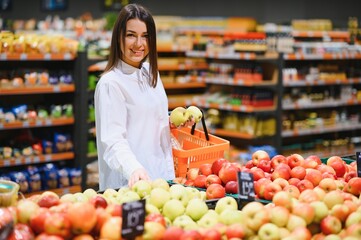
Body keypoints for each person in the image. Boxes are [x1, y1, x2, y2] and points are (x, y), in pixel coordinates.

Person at [94, 3, 192, 191]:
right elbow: (113, 140)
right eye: (131, 35)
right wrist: (133, 169)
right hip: (130, 184)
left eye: (145, 36)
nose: (139, 44)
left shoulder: (149, 73)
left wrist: (171, 121)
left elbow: (146, 118)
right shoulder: (111, 84)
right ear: (118, 38)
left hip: (161, 179)